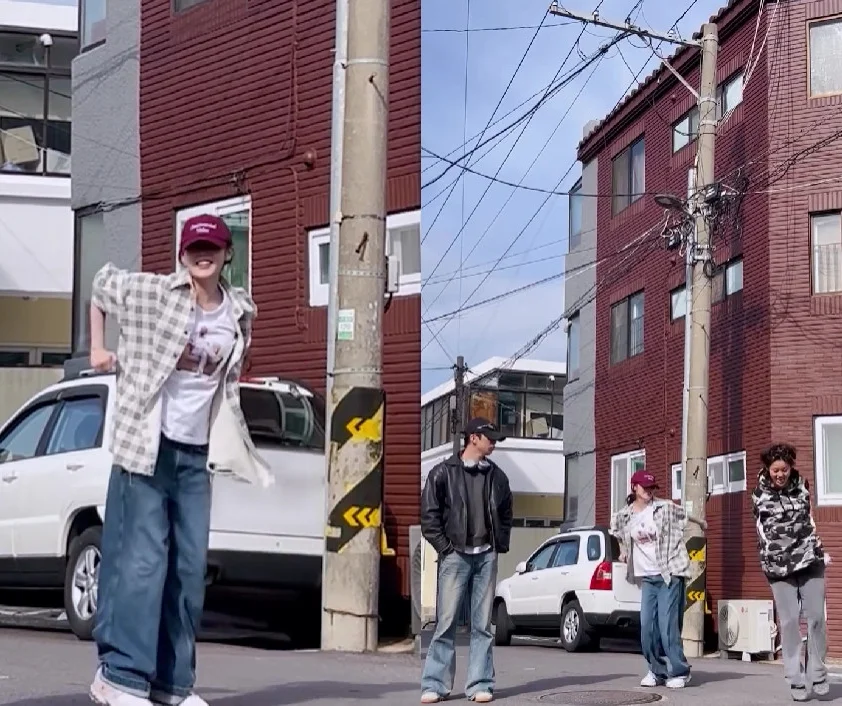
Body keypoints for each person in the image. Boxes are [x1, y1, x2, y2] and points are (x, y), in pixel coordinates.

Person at [88, 214, 271, 706]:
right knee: (143, 564)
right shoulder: (154, 292)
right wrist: (99, 347)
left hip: (195, 456)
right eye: (194, 248)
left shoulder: (238, 314)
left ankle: (171, 684)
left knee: (188, 572)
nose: (202, 255)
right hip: (146, 447)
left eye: (211, 247)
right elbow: (101, 284)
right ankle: (119, 677)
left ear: (227, 253)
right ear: (182, 254)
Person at [419, 418, 514, 704]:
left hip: (486, 555)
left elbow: (507, 511)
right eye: (490, 437)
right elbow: (429, 516)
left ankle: (480, 684)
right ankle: (434, 685)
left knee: (483, 625)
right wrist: (445, 548)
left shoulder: (498, 476)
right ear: (474, 438)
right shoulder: (442, 473)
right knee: (446, 623)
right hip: (455, 555)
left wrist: (500, 544)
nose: (494, 442)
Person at [610, 470, 705, 690]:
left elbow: (685, 515)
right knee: (646, 628)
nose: (649, 491)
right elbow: (617, 532)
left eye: (652, 488)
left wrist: (701, 522)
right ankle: (657, 670)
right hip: (647, 578)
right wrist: (624, 551)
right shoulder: (624, 516)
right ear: (634, 487)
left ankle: (680, 671)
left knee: (667, 625)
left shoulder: (664, 508)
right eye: (645, 487)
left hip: (669, 572)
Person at [752, 443, 829, 701]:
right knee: (790, 621)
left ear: (791, 467)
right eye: (775, 470)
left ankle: (817, 672)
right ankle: (795, 678)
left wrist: (818, 548)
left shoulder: (802, 486)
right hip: (779, 567)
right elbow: (763, 532)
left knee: (817, 617)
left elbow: (810, 519)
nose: (780, 475)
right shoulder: (759, 494)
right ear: (767, 469)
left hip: (809, 560)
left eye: (784, 469)